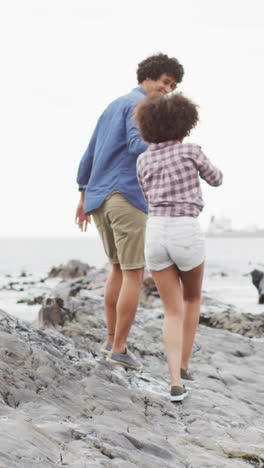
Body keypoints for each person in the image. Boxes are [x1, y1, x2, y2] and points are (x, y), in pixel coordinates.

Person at [75, 53, 184, 371]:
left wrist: (83, 196)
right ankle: (119, 348)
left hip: (99, 198)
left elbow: (89, 153)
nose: (167, 89)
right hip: (126, 196)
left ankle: (110, 341)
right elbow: (138, 145)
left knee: (118, 270)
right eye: (165, 82)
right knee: (134, 272)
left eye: (173, 86)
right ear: (149, 76)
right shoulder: (142, 105)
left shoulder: (113, 105)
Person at [135, 93, 223, 400]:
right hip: (185, 227)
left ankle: (175, 382)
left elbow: (147, 195)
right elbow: (217, 179)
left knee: (171, 311)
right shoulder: (190, 151)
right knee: (193, 298)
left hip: (155, 230)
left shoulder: (143, 158)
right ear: (184, 122)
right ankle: (185, 364)